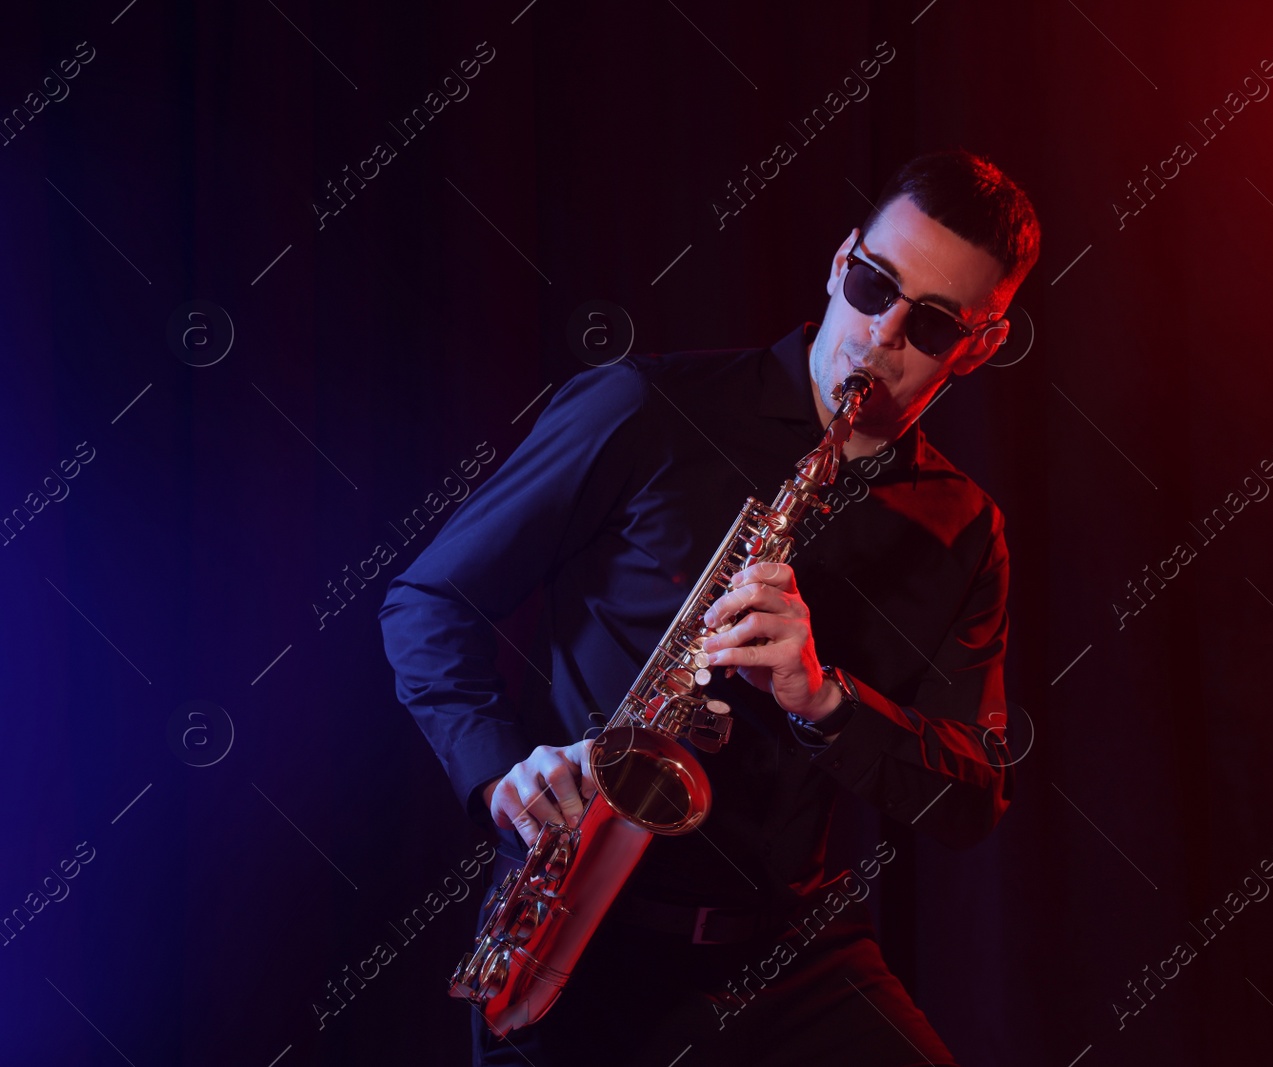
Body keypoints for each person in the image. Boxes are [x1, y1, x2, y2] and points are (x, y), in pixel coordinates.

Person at [380, 147, 1041, 1067]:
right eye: (872, 283)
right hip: (576, 937)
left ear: (982, 344)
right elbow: (427, 600)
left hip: (786, 953)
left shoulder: (964, 528)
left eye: (930, 324)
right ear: (841, 257)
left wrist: (826, 701)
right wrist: (499, 776)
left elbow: (974, 797)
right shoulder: (645, 406)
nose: (881, 335)